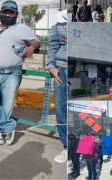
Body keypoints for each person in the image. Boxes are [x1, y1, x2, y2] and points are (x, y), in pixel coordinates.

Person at [0, 0, 40, 145]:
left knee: (7, 105)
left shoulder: (22, 28)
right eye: (5, 11)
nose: (7, 14)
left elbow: (36, 41)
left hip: (12, 73)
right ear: (0, 12)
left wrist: (32, 48)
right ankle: (8, 126)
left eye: (11, 12)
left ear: (16, 14)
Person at [47, 9, 68, 162]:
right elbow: (53, 44)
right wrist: (51, 66)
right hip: (61, 70)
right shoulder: (60, 18)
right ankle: (67, 147)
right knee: (61, 109)